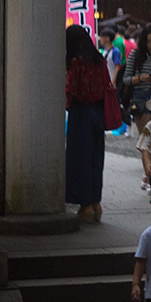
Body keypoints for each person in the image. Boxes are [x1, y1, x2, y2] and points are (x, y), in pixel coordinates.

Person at [65, 24, 110, 223]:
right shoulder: (99, 60)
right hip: (98, 113)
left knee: (79, 158)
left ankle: (85, 206)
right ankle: (96, 203)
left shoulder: (76, 63)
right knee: (95, 158)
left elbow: (71, 89)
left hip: (81, 112)